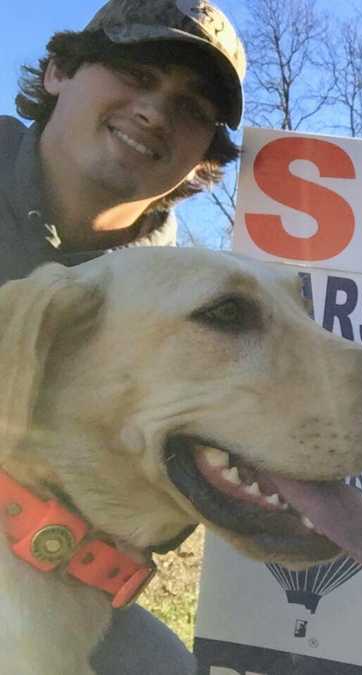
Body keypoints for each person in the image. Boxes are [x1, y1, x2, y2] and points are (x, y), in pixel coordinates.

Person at [0, 1, 245, 673]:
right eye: (136, 73)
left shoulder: (188, 309)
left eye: (193, 108)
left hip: (42, 588)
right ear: (57, 71)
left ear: (204, 161)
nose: (156, 110)